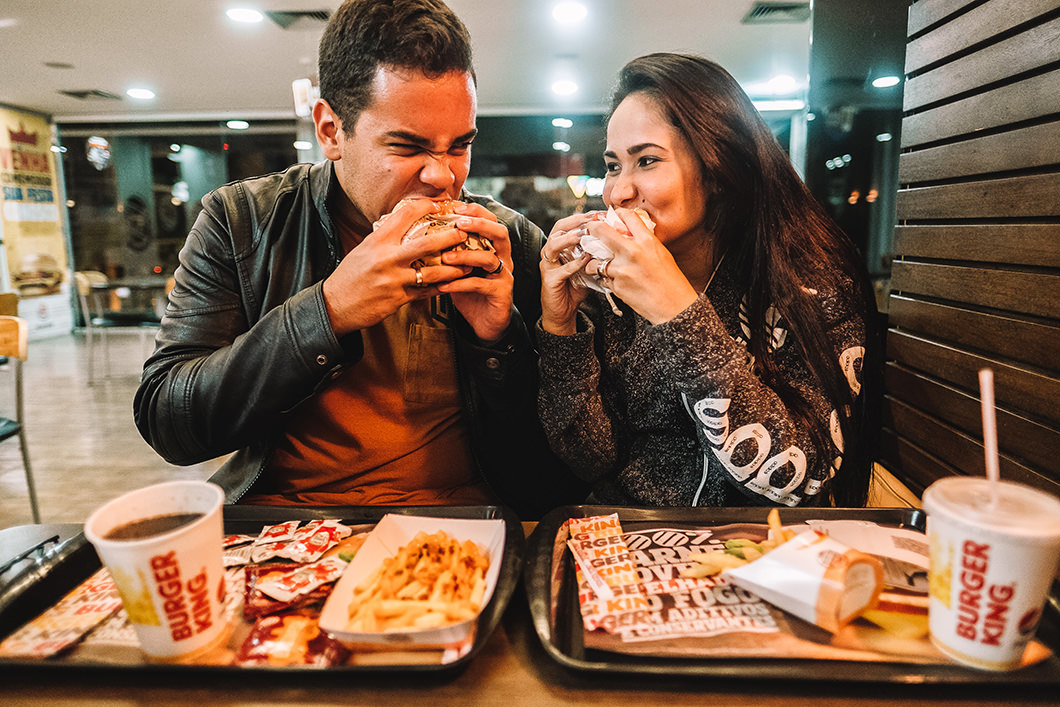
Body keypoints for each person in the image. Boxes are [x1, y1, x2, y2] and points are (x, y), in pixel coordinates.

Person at [134, 0, 583, 518]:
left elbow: (553, 462)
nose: (442, 177)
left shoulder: (507, 240)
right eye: (408, 146)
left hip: (464, 520)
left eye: (459, 146)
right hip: (288, 523)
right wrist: (329, 311)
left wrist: (497, 341)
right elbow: (169, 422)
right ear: (330, 130)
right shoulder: (242, 221)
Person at [537, 53, 881, 508]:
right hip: (635, 543)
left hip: (765, 552)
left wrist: (678, 312)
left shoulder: (812, 286)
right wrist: (561, 329)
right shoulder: (612, 291)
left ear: (717, 168)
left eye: (647, 161)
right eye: (614, 165)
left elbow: (801, 479)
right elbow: (593, 459)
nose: (619, 191)